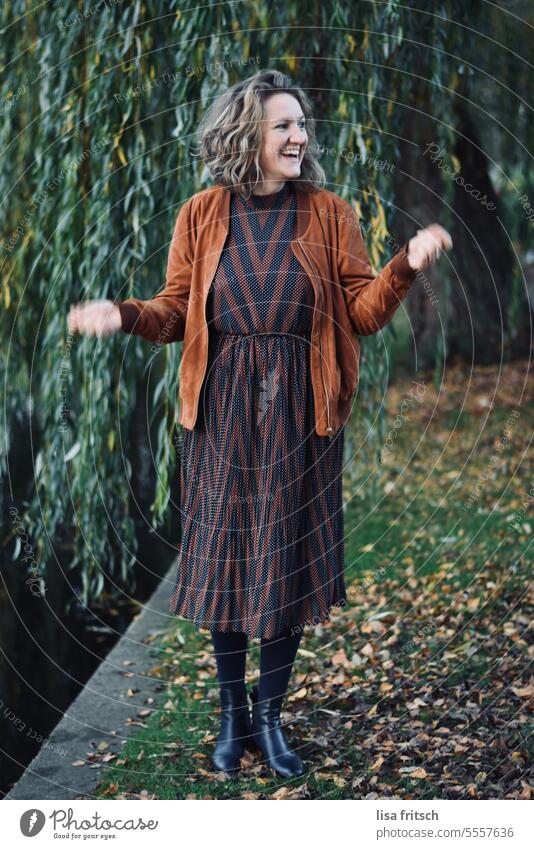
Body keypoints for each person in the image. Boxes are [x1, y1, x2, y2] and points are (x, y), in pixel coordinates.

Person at [68, 69, 452, 780]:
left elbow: (361, 313)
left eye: (302, 124)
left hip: (301, 415)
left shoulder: (330, 213)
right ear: (247, 133)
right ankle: (230, 715)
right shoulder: (200, 215)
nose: (300, 135)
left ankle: (269, 718)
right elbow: (175, 312)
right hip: (220, 415)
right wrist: (121, 314)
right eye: (284, 125)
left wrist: (405, 264)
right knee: (225, 565)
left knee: (283, 566)